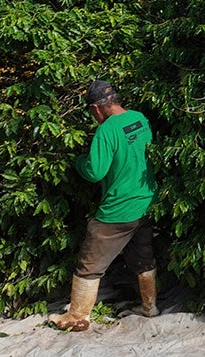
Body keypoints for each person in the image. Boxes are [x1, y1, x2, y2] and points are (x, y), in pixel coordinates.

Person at [47, 79, 160, 331]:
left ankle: (77, 317)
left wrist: (78, 162)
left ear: (97, 108)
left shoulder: (106, 130)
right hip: (146, 202)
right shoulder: (140, 119)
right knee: (143, 257)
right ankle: (149, 307)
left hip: (118, 209)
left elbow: (95, 172)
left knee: (89, 264)